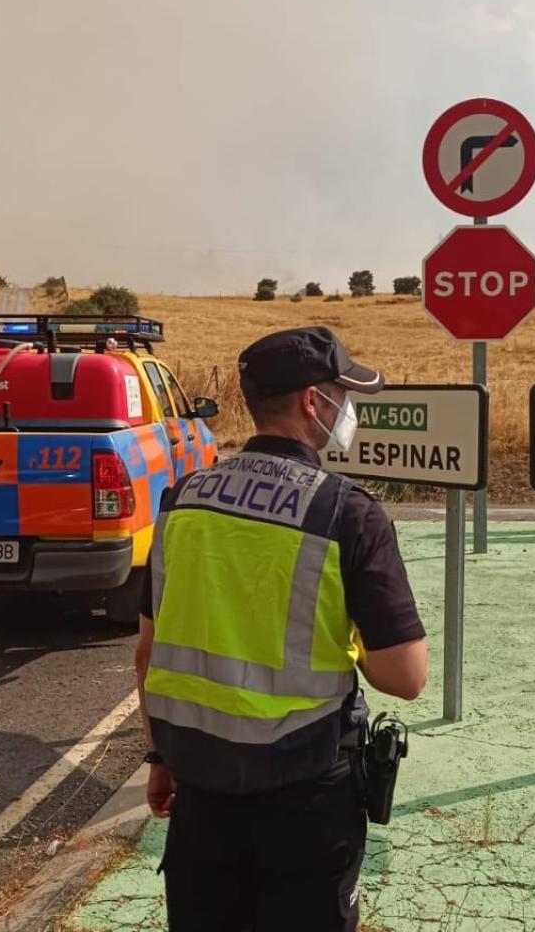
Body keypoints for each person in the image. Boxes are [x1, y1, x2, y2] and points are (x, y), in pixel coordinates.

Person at [135, 326, 429, 931]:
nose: (348, 411)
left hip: (201, 792)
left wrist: (160, 756)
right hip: (307, 799)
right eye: (342, 397)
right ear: (312, 404)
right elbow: (406, 676)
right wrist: (351, 644)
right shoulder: (348, 512)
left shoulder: (181, 500)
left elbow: (148, 652)